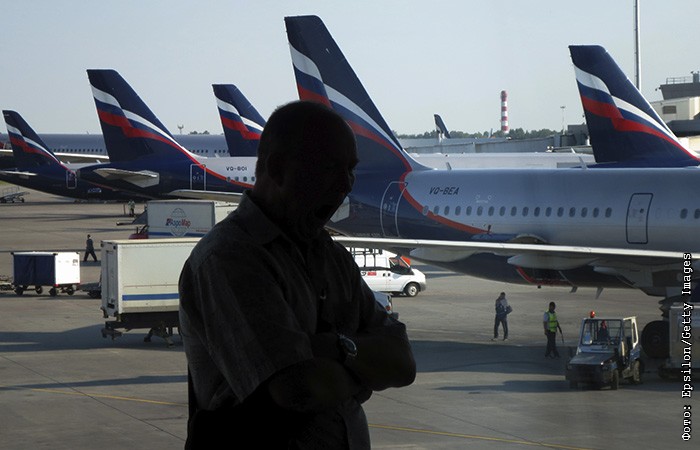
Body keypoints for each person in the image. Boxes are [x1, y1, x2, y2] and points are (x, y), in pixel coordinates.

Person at [178, 101, 416, 449]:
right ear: (277, 169)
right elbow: (296, 389)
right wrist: (362, 368)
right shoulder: (230, 258)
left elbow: (403, 365)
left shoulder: (331, 257)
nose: (346, 184)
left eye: (350, 169)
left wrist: (334, 349)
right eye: (329, 168)